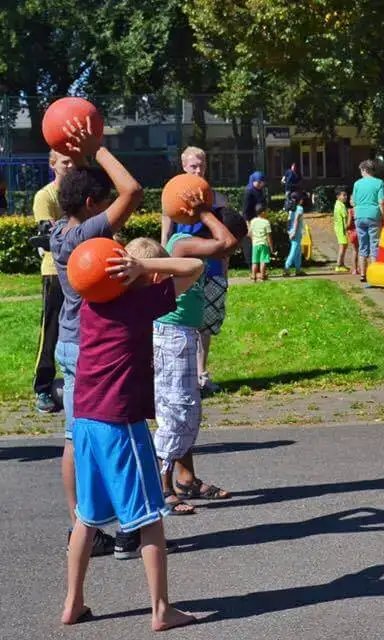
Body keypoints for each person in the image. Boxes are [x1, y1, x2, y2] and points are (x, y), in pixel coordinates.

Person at [63, 238, 201, 631]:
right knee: (150, 518)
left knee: (86, 519)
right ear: (145, 276)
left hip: (86, 421)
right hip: (119, 424)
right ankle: (161, 610)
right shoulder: (139, 303)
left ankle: (73, 603)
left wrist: (134, 269)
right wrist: (144, 270)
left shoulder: (92, 305)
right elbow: (193, 268)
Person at [51, 117, 142, 558]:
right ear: (91, 204)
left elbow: (71, 191)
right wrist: (97, 148)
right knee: (113, 434)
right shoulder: (89, 231)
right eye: (102, 204)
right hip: (91, 347)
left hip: (67, 344)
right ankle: (128, 524)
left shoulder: (58, 231)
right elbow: (134, 191)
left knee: (74, 437)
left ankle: (81, 528)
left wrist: (77, 162)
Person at [152, 203, 242, 514]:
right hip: (170, 336)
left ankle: (186, 479)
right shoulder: (181, 242)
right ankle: (162, 488)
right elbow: (226, 242)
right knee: (174, 409)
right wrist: (205, 212)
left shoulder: (192, 250)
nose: (233, 248)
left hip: (182, 335)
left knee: (186, 409)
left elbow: (225, 245)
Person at [165, 146, 231, 397]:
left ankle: (202, 373)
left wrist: (223, 273)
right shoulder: (173, 195)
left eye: (201, 164)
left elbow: (226, 238)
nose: (198, 169)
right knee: (183, 321)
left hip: (212, 268)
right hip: (183, 270)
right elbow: (166, 232)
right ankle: (183, 375)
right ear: (183, 166)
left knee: (206, 324)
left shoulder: (217, 198)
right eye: (193, 165)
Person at [32, 150, 74, 413]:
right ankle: (42, 389)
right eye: (64, 162)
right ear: (53, 165)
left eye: (72, 161)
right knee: (51, 331)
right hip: (54, 272)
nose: (69, 165)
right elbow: (50, 234)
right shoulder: (45, 196)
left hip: (83, 271)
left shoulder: (80, 193)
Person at [351, 160, 384, 282]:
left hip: (359, 216)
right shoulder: (379, 183)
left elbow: (353, 202)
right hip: (373, 215)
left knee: (363, 245)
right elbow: (381, 202)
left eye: (361, 170)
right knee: (374, 245)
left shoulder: (357, 184)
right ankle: (373, 274)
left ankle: (363, 275)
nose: (361, 173)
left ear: (365, 170)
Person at [242, 171, 267, 265]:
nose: (262, 184)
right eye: (259, 182)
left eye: (262, 182)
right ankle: (252, 268)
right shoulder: (249, 192)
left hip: (259, 222)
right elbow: (245, 211)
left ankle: (259, 268)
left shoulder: (259, 191)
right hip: (251, 222)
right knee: (250, 246)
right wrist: (248, 226)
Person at [284, 192, 308, 276]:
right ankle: (286, 268)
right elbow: (296, 221)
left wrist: (288, 230)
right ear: (300, 200)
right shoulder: (300, 208)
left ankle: (298, 269)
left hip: (291, 231)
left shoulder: (291, 209)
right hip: (296, 232)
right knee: (294, 251)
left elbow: (288, 220)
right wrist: (294, 232)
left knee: (297, 251)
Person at [250, 206, 273, 281]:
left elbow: (249, 233)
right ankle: (263, 276)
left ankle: (253, 277)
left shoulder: (253, 221)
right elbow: (269, 236)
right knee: (263, 261)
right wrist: (271, 247)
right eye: (266, 211)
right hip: (264, 244)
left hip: (255, 244)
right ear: (262, 212)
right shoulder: (266, 222)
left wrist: (253, 240)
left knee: (255, 261)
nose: (267, 213)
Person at [333, 190, 353, 273]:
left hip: (339, 228)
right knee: (342, 247)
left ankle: (342, 264)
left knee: (344, 247)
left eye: (346, 195)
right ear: (338, 196)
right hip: (342, 229)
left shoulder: (338, 204)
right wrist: (348, 227)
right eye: (343, 195)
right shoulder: (341, 206)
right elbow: (346, 217)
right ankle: (338, 265)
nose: (346, 197)